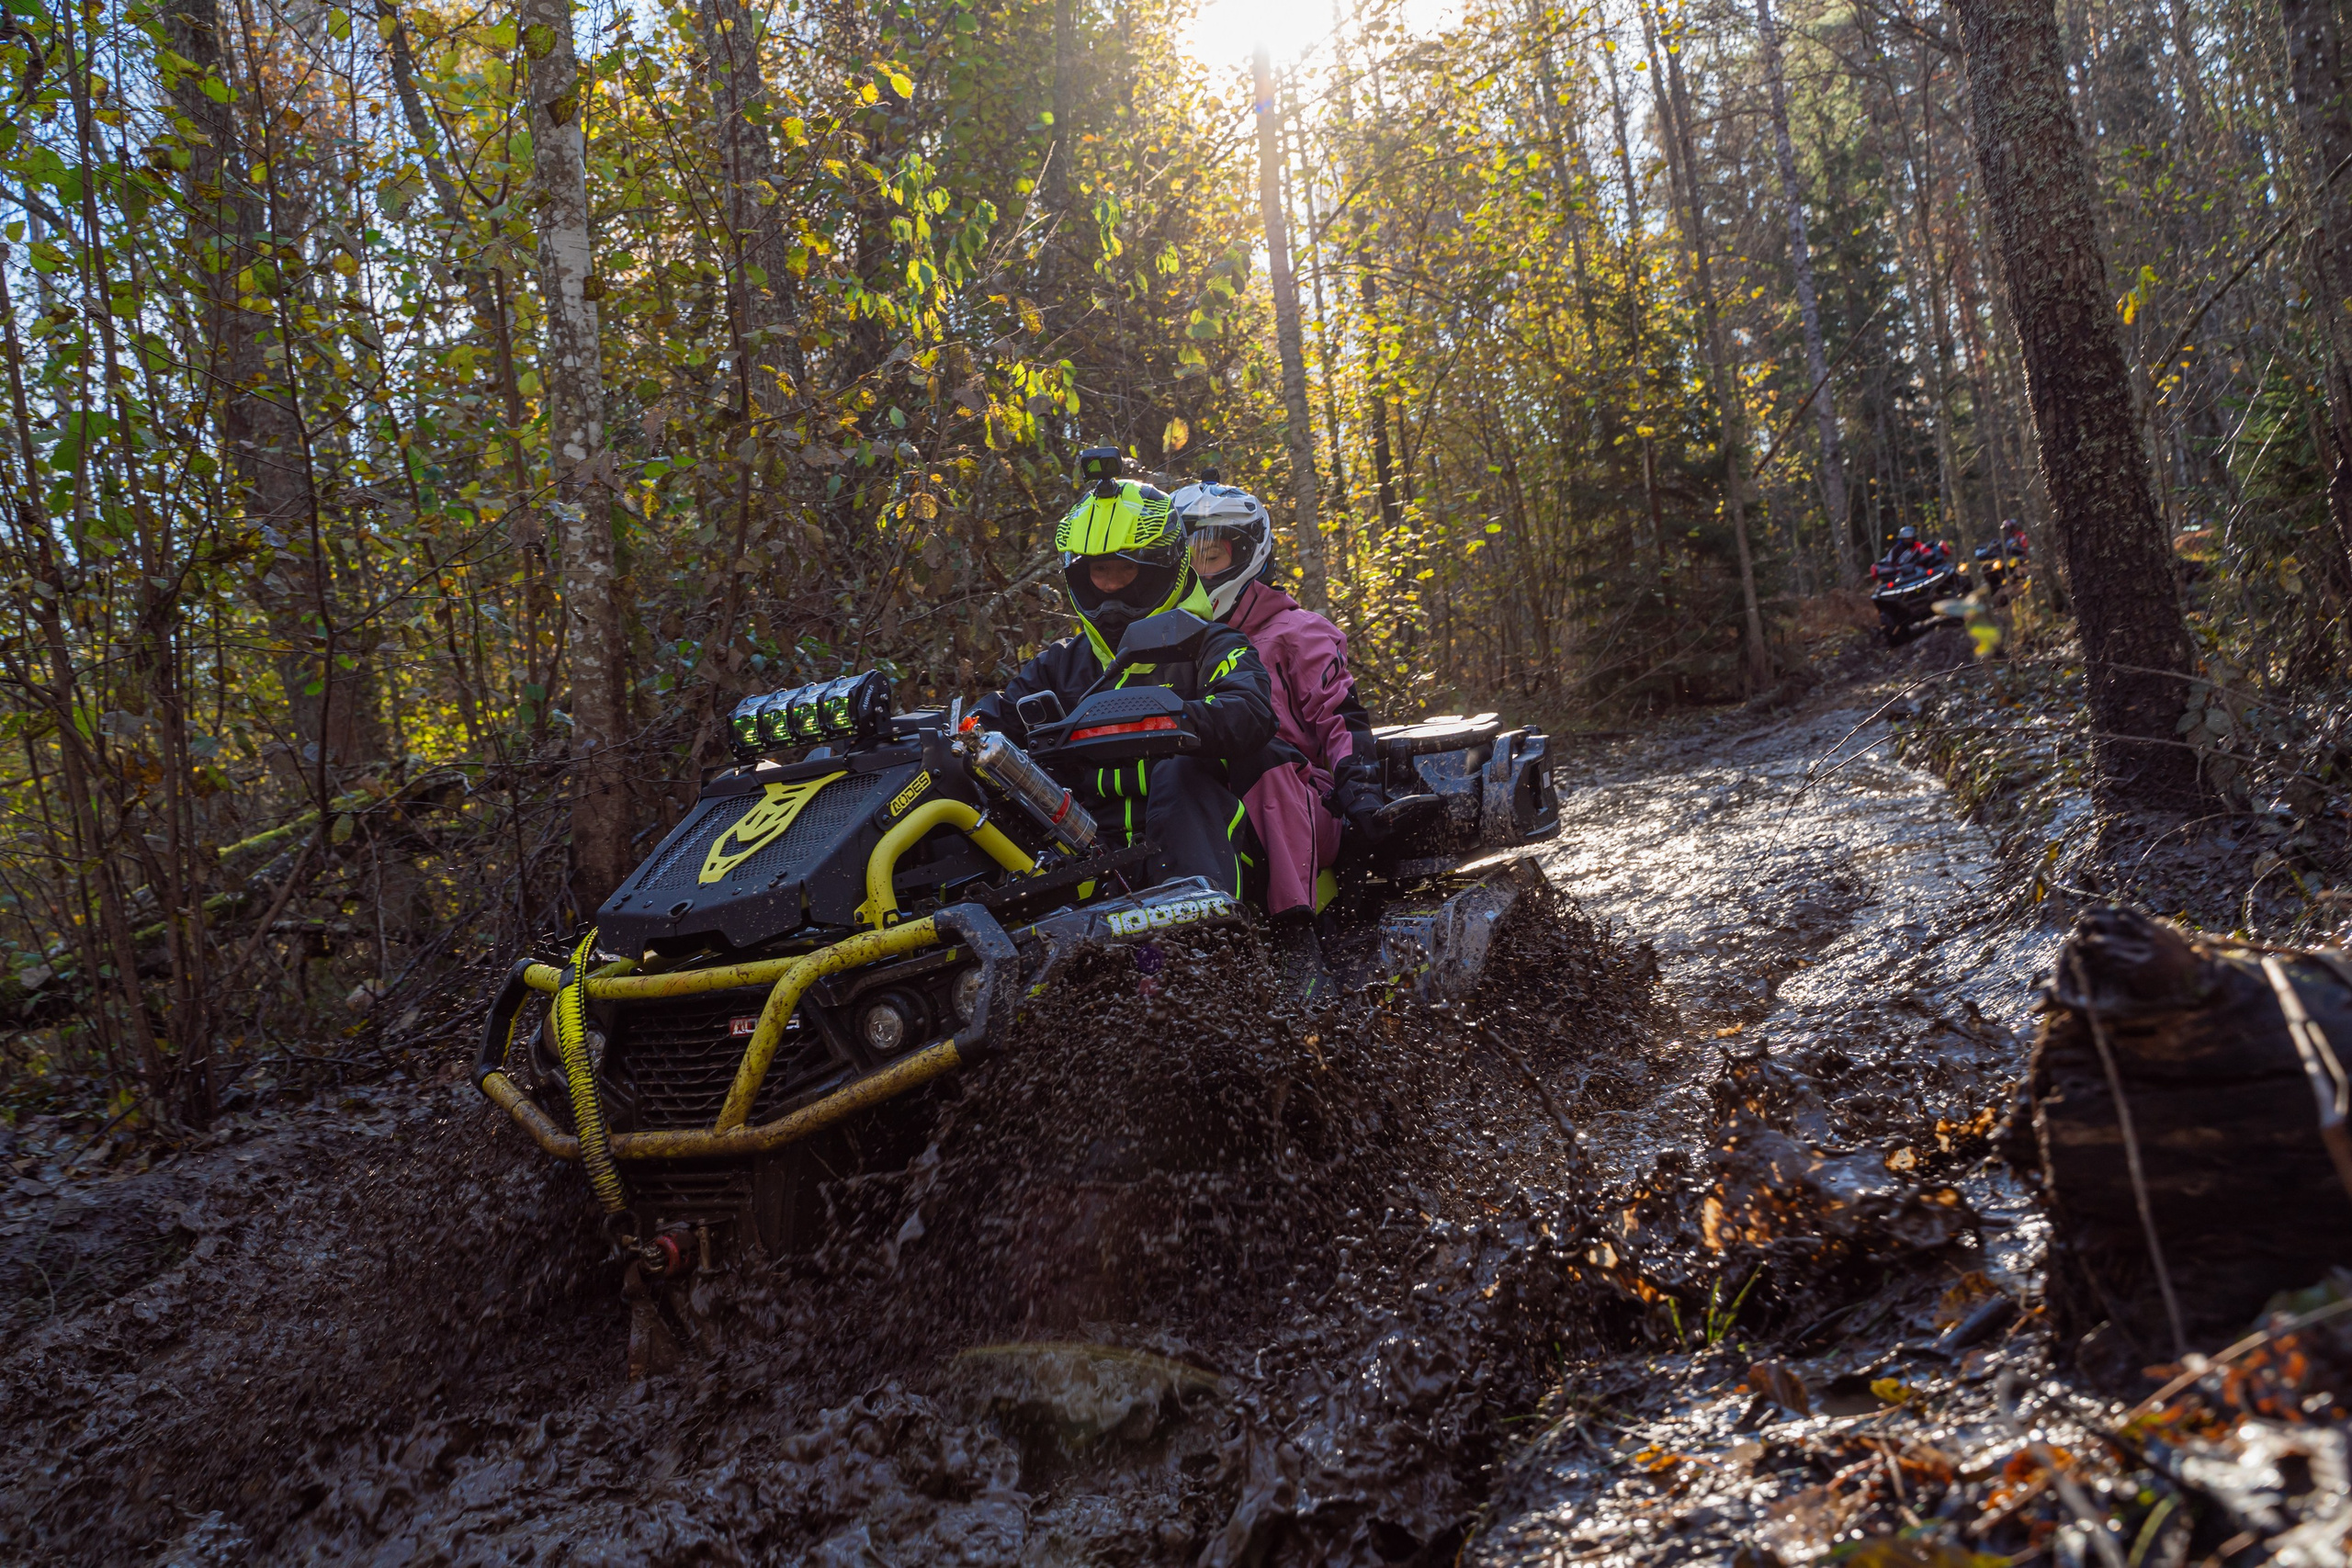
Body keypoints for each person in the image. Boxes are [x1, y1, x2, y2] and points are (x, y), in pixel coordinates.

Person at [967, 451, 1274, 897]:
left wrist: (1163, 721)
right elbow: (990, 721)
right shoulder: (1060, 664)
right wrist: (936, 741)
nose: (1111, 585)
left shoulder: (1213, 644)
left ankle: (1203, 922)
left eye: (1126, 568)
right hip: (1087, 857)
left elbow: (1250, 710)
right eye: (1100, 570)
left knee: (1180, 773)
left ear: (1161, 567)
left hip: (1212, 853)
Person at [1170, 479, 1383, 991]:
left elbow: (1341, 718)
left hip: (1306, 801)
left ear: (1249, 554)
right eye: (1186, 561)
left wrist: (1361, 789)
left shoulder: (1299, 632)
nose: (1199, 573)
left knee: (1259, 755)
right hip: (1210, 808)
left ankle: (1295, 942)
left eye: (1211, 557)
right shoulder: (1166, 644)